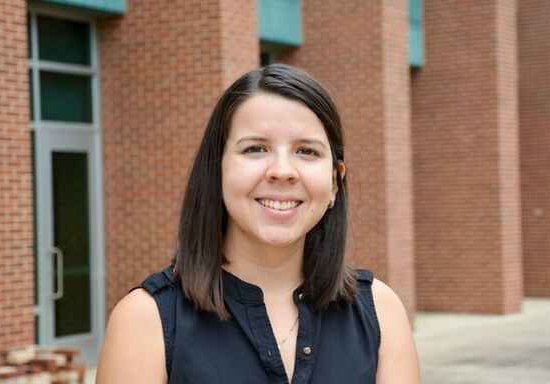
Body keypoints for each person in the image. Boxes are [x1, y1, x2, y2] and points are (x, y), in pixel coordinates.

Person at [96, 64, 420, 383]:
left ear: (335, 182)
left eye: (306, 151)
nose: (282, 170)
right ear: (217, 170)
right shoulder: (145, 320)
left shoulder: (381, 311)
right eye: (256, 148)